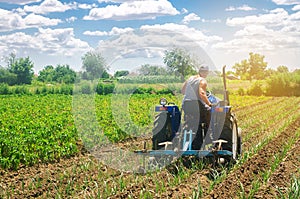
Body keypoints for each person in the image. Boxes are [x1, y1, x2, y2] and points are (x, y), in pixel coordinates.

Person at [181, 65, 211, 150]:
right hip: (196, 104)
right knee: (209, 111)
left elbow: (183, 91)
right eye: (205, 72)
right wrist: (209, 103)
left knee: (191, 120)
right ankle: (208, 132)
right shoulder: (202, 81)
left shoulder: (190, 78)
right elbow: (202, 93)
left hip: (186, 104)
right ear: (206, 73)